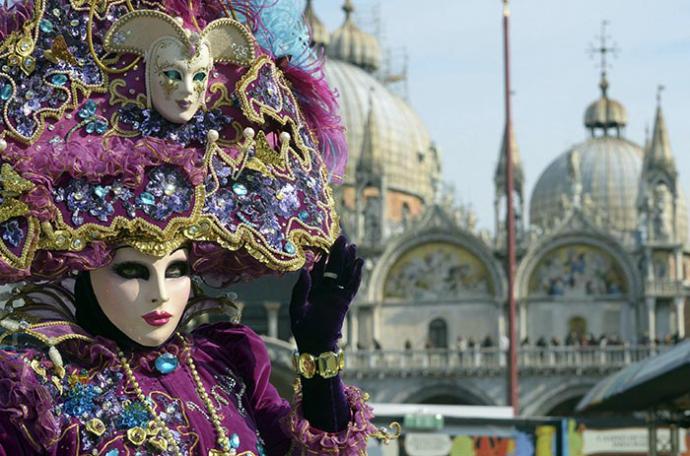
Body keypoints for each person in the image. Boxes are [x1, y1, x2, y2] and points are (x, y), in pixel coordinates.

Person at [0, 0, 398, 454]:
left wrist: (320, 356)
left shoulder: (226, 364)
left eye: (176, 271)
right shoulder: (34, 390)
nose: (159, 294)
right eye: (132, 271)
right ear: (85, 269)